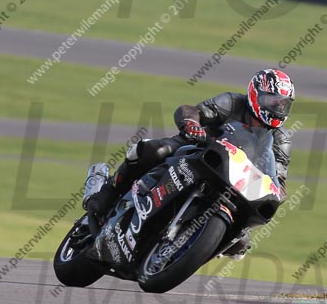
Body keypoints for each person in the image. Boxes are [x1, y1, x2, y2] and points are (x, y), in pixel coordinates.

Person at [85, 69, 295, 259]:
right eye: (272, 100)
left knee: (241, 242)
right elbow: (192, 111)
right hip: (199, 150)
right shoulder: (232, 102)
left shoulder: (281, 139)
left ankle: (184, 251)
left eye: (283, 103)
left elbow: (278, 178)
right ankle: (106, 195)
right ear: (255, 94)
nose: (277, 107)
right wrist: (193, 124)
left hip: (238, 182)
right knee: (150, 150)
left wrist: (277, 192)